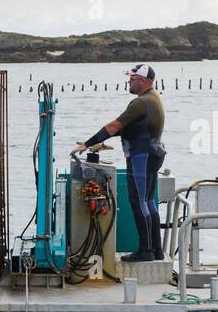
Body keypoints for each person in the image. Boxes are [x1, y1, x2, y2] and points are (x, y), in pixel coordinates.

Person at [71, 63, 166, 262]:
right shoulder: (154, 98)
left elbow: (115, 126)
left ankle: (146, 251)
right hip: (152, 154)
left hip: (141, 156)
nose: (128, 81)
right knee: (148, 201)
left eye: (131, 79)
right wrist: (101, 140)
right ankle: (156, 249)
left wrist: (87, 144)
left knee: (138, 201)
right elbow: (131, 128)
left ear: (142, 80)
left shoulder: (140, 103)